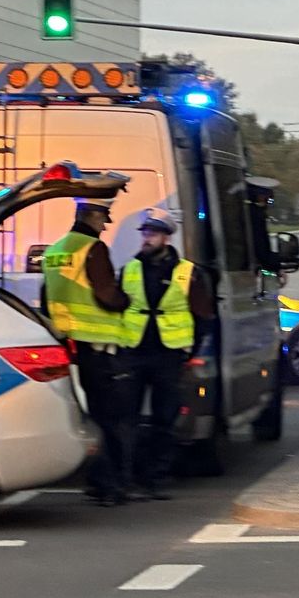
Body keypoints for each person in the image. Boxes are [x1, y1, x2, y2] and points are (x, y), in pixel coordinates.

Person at [119, 208, 215, 500]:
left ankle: (156, 478)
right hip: (134, 351)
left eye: (153, 234)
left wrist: (190, 351)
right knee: (128, 418)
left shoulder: (188, 272)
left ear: (167, 238)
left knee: (164, 418)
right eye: (145, 233)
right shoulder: (130, 269)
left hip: (169, 355)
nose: (146, 239)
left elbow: (203, 315)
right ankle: (130, 478)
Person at [42, 197, 131, 506]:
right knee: (108, 417)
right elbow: (106, 294)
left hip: (67, 344)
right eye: (103, 218)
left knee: (86, 417)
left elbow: (46, 298)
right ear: (90, 217)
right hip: (96, 346)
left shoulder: (53, 252)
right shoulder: (93, 249)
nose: (106, 224)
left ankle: (95, 481)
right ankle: (111, 485)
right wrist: (126, 301)